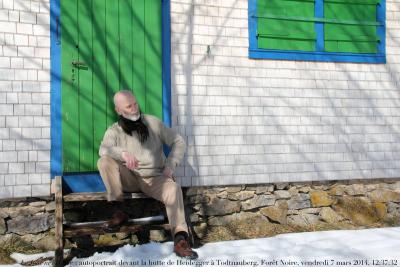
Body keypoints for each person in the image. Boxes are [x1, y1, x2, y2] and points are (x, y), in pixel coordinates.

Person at [97, 90, 198, 259]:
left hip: (154, 177)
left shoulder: (153, 123)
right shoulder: (114, 130)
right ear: (118, 110)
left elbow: (178, 141)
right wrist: (122, 154)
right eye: (129, 106)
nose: (135, 108)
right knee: (104, 161)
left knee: (173, 189)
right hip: (129, 177)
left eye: (135, 103)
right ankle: (119, 211)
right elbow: (104, 149)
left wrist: (170, 165)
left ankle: (180, 240)